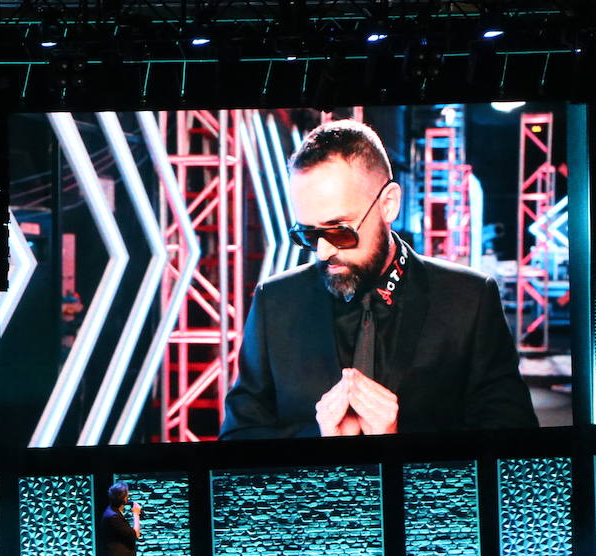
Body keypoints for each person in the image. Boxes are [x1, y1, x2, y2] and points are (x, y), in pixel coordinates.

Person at [220, 119, 538, 439]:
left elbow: (514, 440)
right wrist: (318, 440)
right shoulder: (274, 301)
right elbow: (237, 438)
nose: (322, 251)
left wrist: (399, 438)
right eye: (308, 233)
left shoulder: (469, 299)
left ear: (389, 204)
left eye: (339, 230)